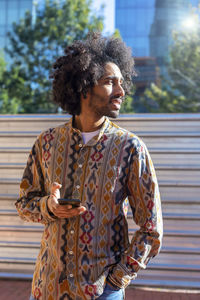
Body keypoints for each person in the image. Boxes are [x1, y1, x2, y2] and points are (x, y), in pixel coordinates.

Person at [16, 32, 163, 300]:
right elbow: (25, 204)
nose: (121, 91)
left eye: (122, 82)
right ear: (84, 86)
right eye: (110, 82)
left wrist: (117, 281)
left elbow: (151, 229)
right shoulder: (46, 142)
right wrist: (48, 206)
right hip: (46, 288)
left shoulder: (131, 148)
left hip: (100, 291)